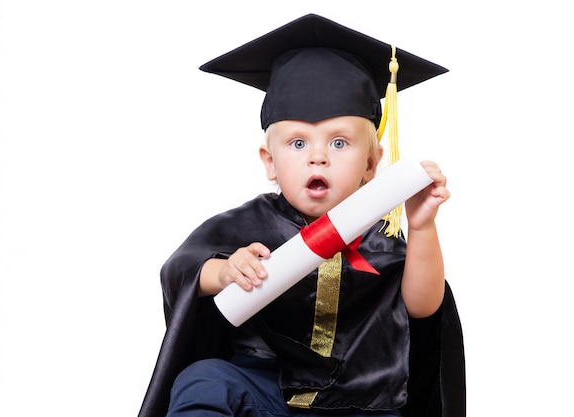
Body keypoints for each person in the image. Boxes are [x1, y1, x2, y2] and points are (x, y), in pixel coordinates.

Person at [138, 13, 465, 417]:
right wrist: (224, 272)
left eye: (340, 142)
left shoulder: (381, 233)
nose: (318, 156)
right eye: (297, 143)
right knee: (205, 379)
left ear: (371, 164)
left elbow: (422, 308)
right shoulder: (248, 224)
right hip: (264, 385)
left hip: (359, 400)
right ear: (269, 162)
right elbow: (182, 270)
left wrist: (421, 226)